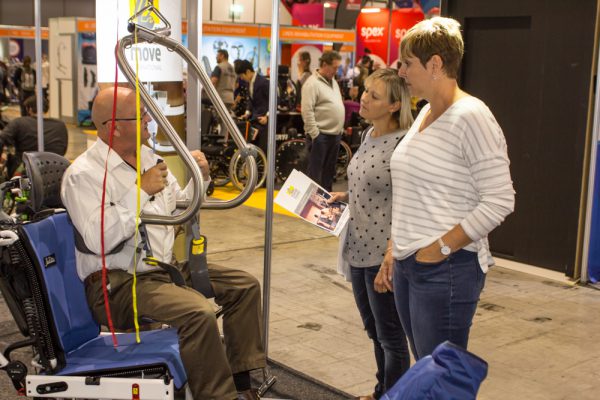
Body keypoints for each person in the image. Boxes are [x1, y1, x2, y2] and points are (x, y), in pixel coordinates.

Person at [60, 87, 266, 400]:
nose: (149, 120)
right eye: (141, 115)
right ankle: (218, 397)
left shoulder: (149, 157)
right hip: (117, 285)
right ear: (114, 126)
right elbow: (99, 239)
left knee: (244, 286)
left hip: (162, 270)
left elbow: (179, 204)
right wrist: (140, 190)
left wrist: (202, 178)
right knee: (198, 312)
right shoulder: (83, 175)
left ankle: (242, 382)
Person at [376, 17, 515, 361]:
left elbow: (500, 199)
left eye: (408, 64)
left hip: (445, 270)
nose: (402, 73)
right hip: (410, 263)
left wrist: (441, 248)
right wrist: (395, 248)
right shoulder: (423, 113)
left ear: (435, 63)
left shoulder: (471, 116)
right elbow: (409, 192)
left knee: (441, 380)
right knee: (428, 372)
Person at [329, 69, 414, 400]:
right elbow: (372, 187)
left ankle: (394, 395)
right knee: (374, 331)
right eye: (365, 91)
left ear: (394, 106)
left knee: (391, 337)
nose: (363, 98)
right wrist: (345, 197)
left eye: (374, 96)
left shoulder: (404, 145)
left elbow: (405, 201)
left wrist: (392, 256)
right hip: (357, 248)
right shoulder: (368, 135)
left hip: (383, 255)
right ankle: (382, 391)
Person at [301, 50, 345, 191]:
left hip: (334, 135)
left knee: (328, 175)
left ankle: (326, 207)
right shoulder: (312, 83)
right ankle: (310, 209)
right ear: (324, 64)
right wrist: (315, 134)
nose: (336, 71)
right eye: (334, 67)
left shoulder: (333, 82)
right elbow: (307, 111)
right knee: (315, 176)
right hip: (321, 136)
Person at [0, 96, 68, 177]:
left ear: (29, 109)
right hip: (55, 170)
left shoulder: (19, 123)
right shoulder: (60, 125)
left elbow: (1, 140)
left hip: (25, 172)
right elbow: (63, 149)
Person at [235, 59, 269, 154]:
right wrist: (247, 112)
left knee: (262, 148)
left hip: (263, 121)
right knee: (252, 146)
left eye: (242, 75)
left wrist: (267, 116)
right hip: (254, 119)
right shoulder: (248, 83)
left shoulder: (263, 82)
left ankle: (263, 167)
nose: (241, 78)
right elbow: (250, 99)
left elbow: (274, 99)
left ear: (248, 72)